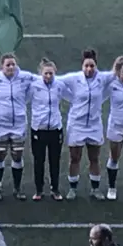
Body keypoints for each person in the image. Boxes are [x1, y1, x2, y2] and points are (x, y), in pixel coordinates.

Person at [58, 49, 116, 200]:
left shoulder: (102, 78)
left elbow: (116, 71)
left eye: (92, 66)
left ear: (96, 65)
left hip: (94, 124)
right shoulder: (74, 78)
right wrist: (71, 98)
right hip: (77, 124)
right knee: (75, 157)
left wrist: (120, 60)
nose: (89, 69)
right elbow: (57, 81)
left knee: (94, 158)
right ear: (82, 66)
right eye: (86, 66)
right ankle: (72, 188)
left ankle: (95, 189)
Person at [0, 53, 33, 200]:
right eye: (8, 65)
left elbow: (32, 91)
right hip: (0, 124)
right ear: (2, 66)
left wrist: (20, 108)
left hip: (18, 124)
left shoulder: (25, 77)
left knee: (17, 156)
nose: (11, 67)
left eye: (13, 64)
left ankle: (17, 188)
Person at [29, 58, 70, 201]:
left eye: (51, 74)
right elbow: (24, 99)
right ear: (41, 73)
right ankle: (39, 190)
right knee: (38, 160)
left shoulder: (59, 85)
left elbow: (70, 97)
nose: (48, 76)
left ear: (55, 73)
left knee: (55, 160)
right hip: (38, 129)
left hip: (55, 129)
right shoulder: (34, 86)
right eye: (46, 73)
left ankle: (55, 189)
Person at [105, 56, 123, 201]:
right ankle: (112, 187)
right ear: (119, 72)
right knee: (114, 157)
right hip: (116, 126)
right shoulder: (112, 84)